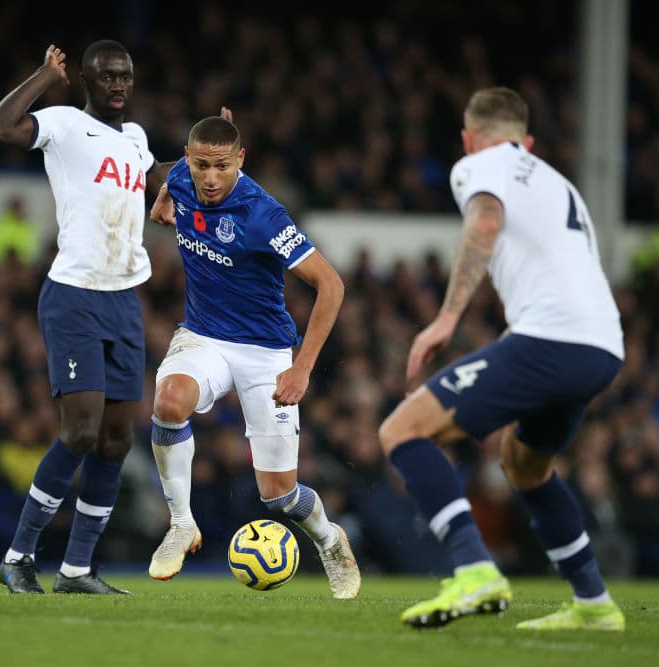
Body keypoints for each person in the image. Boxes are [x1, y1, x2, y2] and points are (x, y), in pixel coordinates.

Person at [377, 87, 626, 631]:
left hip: (553, 339)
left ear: (469, 139)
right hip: (603, 346)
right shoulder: (559, 183)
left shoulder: (479, 165)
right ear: (527, 142)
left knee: (402, 430)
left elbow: (485, 223)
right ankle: (594, 604)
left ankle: (474, 570)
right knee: (524, 464)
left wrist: (446, 319)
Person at [0, 40, 176, 594]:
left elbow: (159, 177)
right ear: (87, 80)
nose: (118, 85)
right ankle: (18, 557)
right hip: (75, 296)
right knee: (81, 432)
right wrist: (45, 77)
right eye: (107, 76)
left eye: (125, 77)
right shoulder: (65, 124)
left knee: (116, 441)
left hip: (124, 299)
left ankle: (76, 570)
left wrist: (213, 154)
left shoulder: (134, 139)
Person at [145, 115, 361, 599]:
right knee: (168, 401)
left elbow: (331, 285)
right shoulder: (181, 175)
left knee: (279, 496)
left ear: (241, 160)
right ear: (188, 158)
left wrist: (301, 368)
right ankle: (181, 523)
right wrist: (163, 196)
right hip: (204, 337)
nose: (210, 178)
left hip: (266, 352)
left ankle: (329, 540)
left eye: (222, 166)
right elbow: (160, 171)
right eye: (201, 165)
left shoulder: (264, 214)